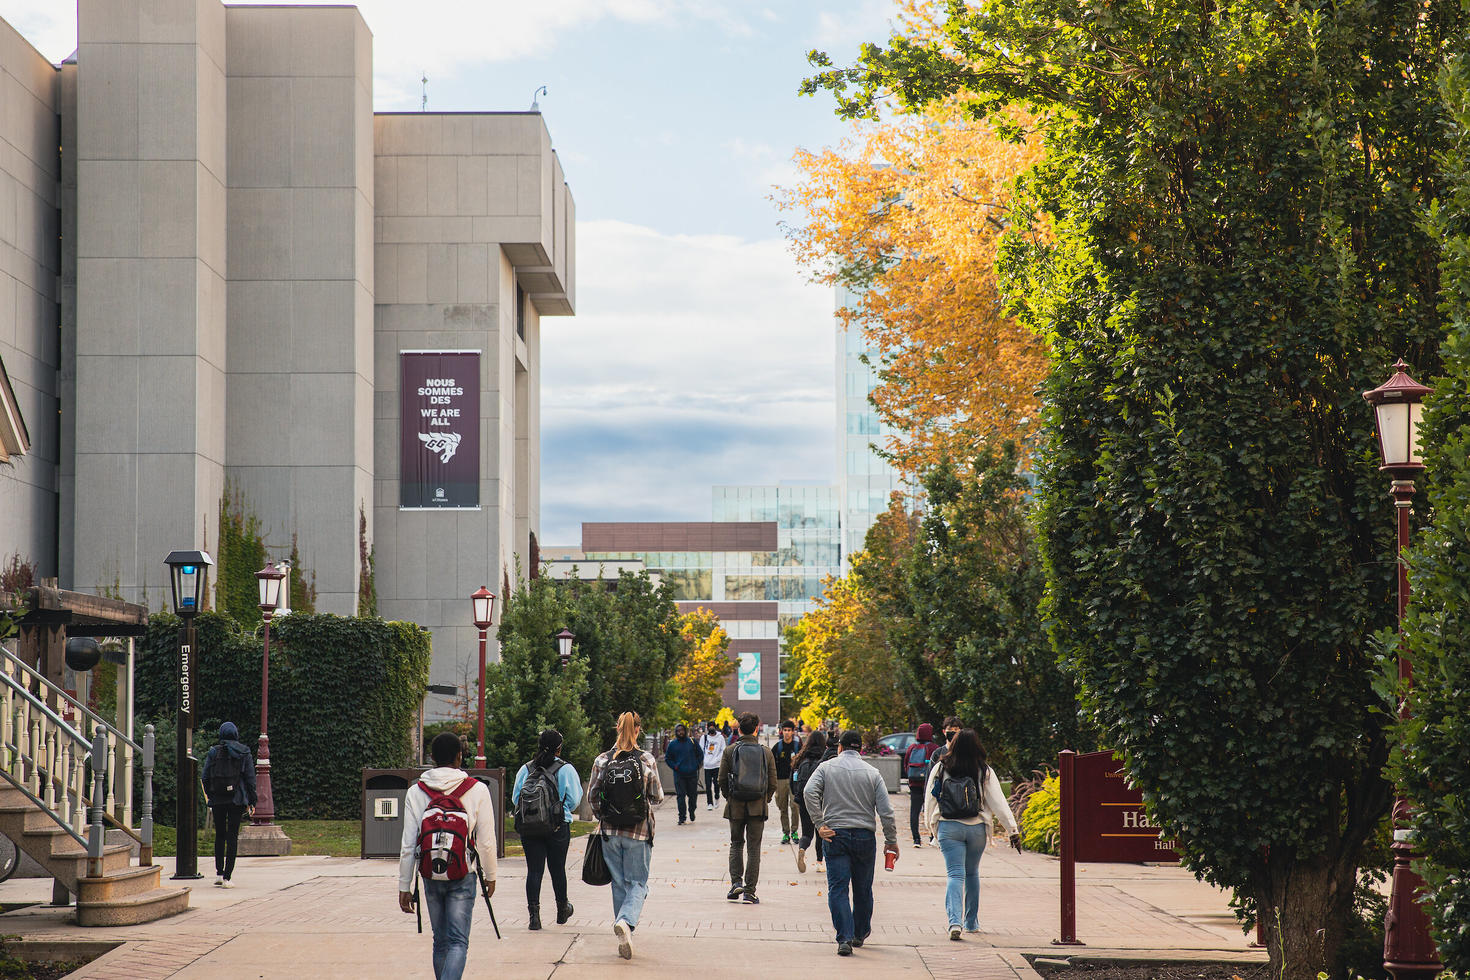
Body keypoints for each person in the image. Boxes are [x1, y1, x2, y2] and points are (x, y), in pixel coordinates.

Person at [397, 732, 497, 980]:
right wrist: (491, 875)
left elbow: (409, 844)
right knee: (458, 942)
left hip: (431, 874)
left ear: (431, 757)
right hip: (464, 873)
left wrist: (404, 885)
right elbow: (486, 840)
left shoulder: (416, 791)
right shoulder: (477, 790)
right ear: (459, 756)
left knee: (440, 942)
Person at [803, 729, 898, 957]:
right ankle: (860, 932)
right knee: (863, 888)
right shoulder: (872, 773)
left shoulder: (826, 768)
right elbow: (886, 811)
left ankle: (843, 937)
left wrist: (819, 823)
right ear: (860, 749)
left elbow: (809, 792)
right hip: (865, 836)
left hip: (835, 834)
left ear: (840, 747)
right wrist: (891, 841)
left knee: (838, 888)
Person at [924, 729, 1021, 940]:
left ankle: (954, 923)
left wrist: (930, 827)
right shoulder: (983, 770)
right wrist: (1012, 830)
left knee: (955, 874)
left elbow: (930, 799)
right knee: (972, 873)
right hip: (977, 827)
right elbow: (998, 802)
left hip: (949, 827)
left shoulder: (941, 767)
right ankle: (971, 922)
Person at [589, 711, 664, 960]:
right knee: (638, 884)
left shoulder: (602, 759)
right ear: (638, 730)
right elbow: (658, 796)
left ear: (617, 729)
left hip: (609, 831)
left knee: (619, 883)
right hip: (639, 831)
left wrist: (605, 814)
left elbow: (592, 796)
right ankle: (626, 922)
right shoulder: (646, 760)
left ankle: (624, 930)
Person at [511, 729, 583, 930]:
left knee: (534, 870)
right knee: (557, 868)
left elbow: (516, 798)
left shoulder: (525, 769)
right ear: (559, 748)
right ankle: (562, 910)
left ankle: (534, 916)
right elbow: (575, 799)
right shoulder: (566, 769)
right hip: (558, 826)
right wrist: (559, 809)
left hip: (530, 827)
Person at [717, 711, 777, 904]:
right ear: (757, 728)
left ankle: (736, 883)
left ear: (739, 728)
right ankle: (750, 891)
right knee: (754, 848)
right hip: (757, 807)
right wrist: (764, 799)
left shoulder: (730, 750)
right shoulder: (766, 752)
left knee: (736, 844)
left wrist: (730, 797)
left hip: (735, 805)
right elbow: (773, 782)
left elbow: (721, 779)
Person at [201, 721, 257, 888]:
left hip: (218, 799)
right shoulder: (244, 752)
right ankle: (227, 877)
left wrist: (211, 795)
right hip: (236, 799)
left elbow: (205, 777)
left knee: (220, 835)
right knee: (232, 836)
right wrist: (252, 800)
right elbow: (250, 779)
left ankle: (218, 873)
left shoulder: (213, 752)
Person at [789, 729, 827, 874]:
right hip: (820, 800)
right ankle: (819, 862)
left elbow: (791, 781)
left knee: (806, 833)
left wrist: (796, 796)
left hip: (804, 800)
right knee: (820, 832)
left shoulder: (800, 759)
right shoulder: (824, 760)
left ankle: (802, 849)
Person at [902, 724, 941, 848]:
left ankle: (916, 839)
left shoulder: (912, 747)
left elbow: (906, 764)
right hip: (929, 784)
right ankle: (932, 837)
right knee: (930, 810)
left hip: (914, 783)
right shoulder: (935, 748)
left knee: (914, 811)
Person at [664, 723, 702, 825]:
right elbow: (667, 759)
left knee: (693, 796)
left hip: (692, 774)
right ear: (676, 732)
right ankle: (682, 817)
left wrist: (696, 765)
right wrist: (675, 766)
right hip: (679, 775)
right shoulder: (672, 744)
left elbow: (700, 754)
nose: (680, 732)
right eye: (678, 731)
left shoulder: (692, 742)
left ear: (685, 731)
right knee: (680, 796)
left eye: (682, 730)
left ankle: (692, 811)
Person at [771, 720, 802, 844]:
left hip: (794, 780)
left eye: (789, 730)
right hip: (780, 780)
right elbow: (771, 763)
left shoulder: (797, 746)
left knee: (795, 806)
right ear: (781, 731)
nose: (787, 733)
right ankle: (786, 833)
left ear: (793, 732)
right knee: (782, 806)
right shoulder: (778, 747)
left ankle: (794, 831)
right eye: (785, 730)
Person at [699, 722, 726, 811]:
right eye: (709, 727)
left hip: (717, 765)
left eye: (712, 727)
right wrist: (704, 760)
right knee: (708, 785)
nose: (711, 728)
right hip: (707, 766)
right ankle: (709, 803)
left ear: (715, 727)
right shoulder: (704, 737)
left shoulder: (720, 737)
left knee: (716, 783)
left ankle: (717, 797)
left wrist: (717, 759)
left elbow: (723, 750)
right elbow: (701, 749)